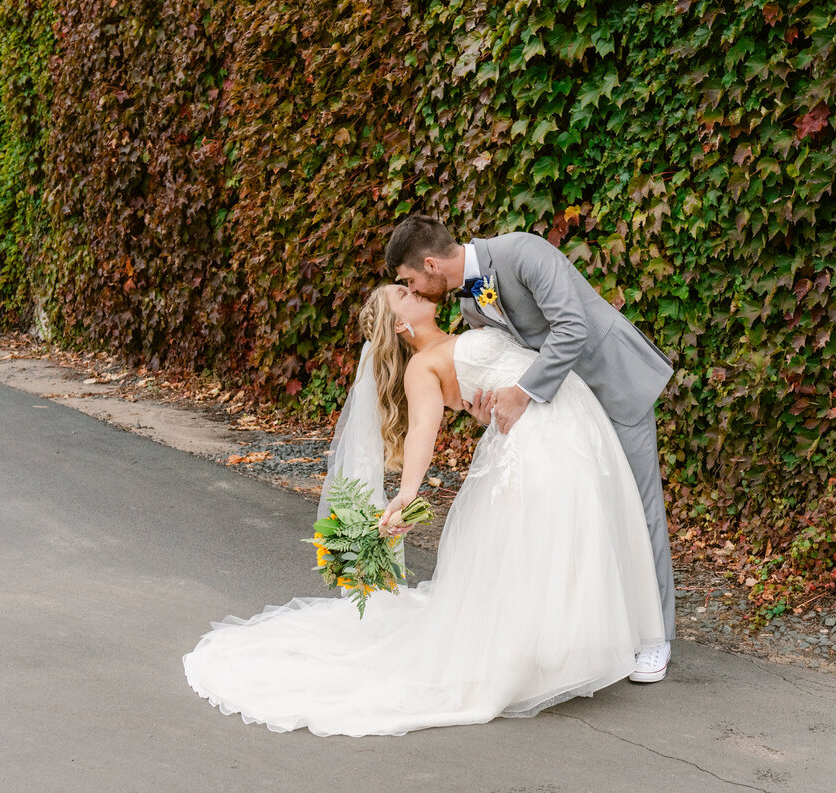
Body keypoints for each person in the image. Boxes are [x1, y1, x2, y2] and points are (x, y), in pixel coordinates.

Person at [182, 285, 666, 736]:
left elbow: (491, 388)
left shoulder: (462, 331)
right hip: (538, 439)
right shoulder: (421, 368)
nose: (412, 290)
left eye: (408, 284)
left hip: (558, 419)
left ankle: (562, 647)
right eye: (401, 293)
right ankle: (534, 655)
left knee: (565, 535)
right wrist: (407, 491)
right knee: (542, 539)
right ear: (398, 325)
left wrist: (487, 408)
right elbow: (421, 432)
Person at [384, 215, 675, 681]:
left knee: (640, 508)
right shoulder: (470, 305)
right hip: (563, 410)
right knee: (593, 512)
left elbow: (572, 328)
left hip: (611, 382)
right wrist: (487, 407)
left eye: (410, 280)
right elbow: (505, 358)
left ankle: (656, 639)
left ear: (432, 263)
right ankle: (608, 628)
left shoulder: (523, 252)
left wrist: (521, 391)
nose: (414, 289)